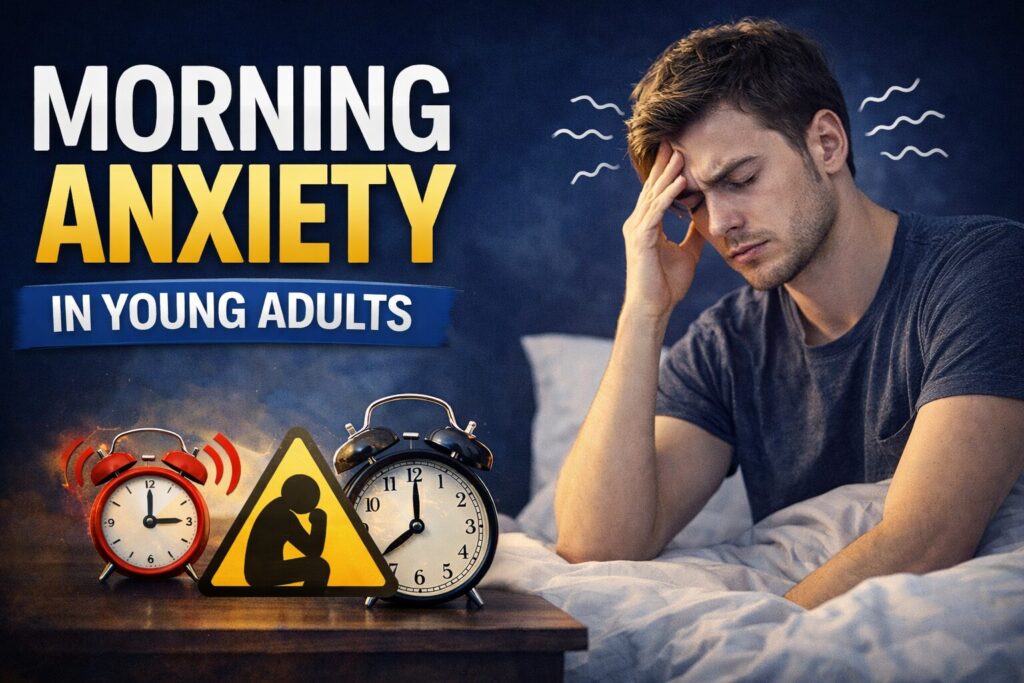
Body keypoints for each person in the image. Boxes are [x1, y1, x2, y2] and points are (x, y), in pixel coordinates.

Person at [552, 18, 1024, 609]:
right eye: (692, 203)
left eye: (741, 179)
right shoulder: (728, 344)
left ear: (826, 143)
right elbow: (595, 546)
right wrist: (644, 314)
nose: (720, 223)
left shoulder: (985, 270)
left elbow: (929, 538)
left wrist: (768, 638)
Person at [245, 473, 330, 588]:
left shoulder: (276, 507)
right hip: (262, 572)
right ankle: (307, 599)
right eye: (307, 497)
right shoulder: (282, 515)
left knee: (318, 567)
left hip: (262, 570)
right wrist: (319, 522)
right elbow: (313, 551)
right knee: (320, 568)